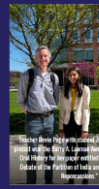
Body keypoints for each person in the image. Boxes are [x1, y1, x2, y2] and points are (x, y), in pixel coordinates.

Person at [17, 46, 59, 184]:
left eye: (45, 56)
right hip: (32, 120)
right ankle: (31, 183)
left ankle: (49, 182)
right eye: (40, 56)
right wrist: (30, 113)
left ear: (49, 58)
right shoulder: (26, 76)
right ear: (36, 58)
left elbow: (56, 99)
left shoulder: (54, 77)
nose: (43, 58)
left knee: (49, 154)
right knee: (32, 154)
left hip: (49, 120)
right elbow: (21, 100)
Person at [59, 66, 90, 184]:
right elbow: (62, 110)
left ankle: (85, 179)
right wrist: (61, 127)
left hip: (80, 123)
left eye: (74, 75)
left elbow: (86, 109)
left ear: (79, 76)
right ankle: (70, 179)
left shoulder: (85, 89)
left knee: (83, 152)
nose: (72, 77)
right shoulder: (64, 90)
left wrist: (85, 129)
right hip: (68, 123)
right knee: (70, 152)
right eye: (70, 75)